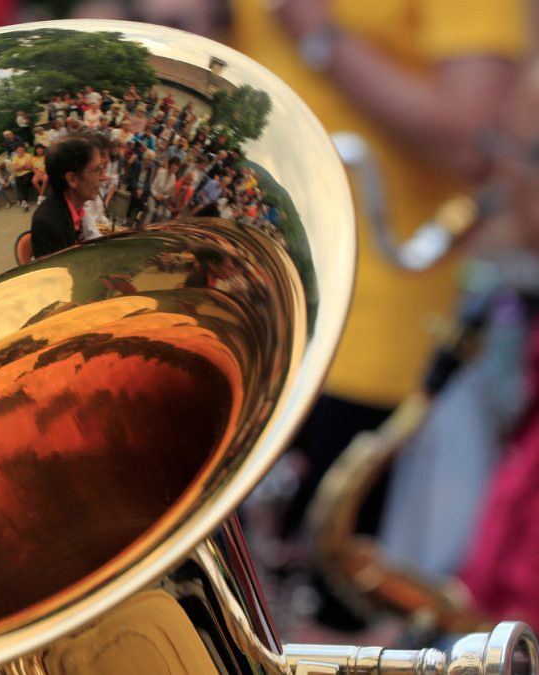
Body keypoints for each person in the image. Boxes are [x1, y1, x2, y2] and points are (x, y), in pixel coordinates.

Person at [226, 0, 528, 629]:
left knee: (312, 621)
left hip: (358, 333)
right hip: (233, 309)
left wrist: (318, 32)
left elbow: (476, 138)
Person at [31, 135, 102, 258]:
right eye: (97, 170)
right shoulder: (48, 224)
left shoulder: (76, 207)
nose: (102, 177)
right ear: (72, 179)